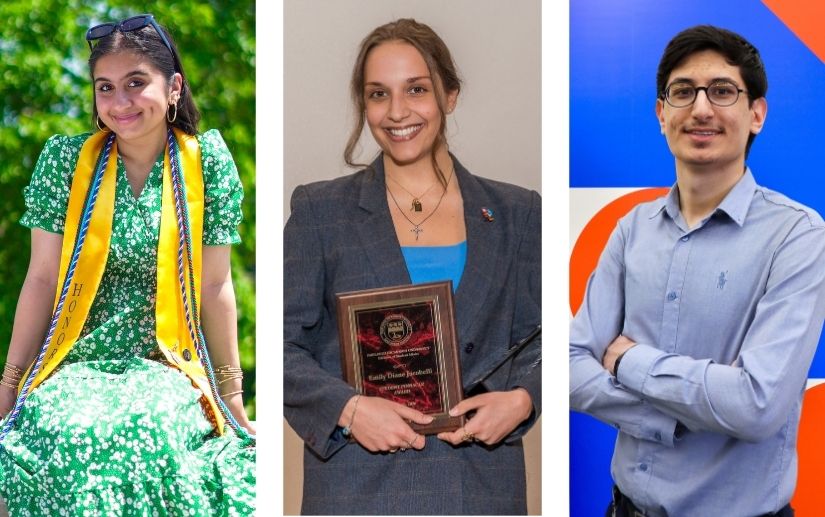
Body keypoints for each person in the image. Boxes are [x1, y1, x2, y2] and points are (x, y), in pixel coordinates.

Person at [284, 18, 541, 515]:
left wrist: (523, 399)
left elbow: (552, 340)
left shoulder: (518, 214)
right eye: (378, 94)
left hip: (480, 488)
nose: (397, 111)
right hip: (356, 487)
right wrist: (349, 409)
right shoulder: (321, 211)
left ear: (450, 96)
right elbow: (279, 345)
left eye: (417, 90)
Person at [0, 14, 255, 515]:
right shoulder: (66, 163)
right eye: (106, 88)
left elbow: (216, 285)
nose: (120, 102)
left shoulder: (206, 165)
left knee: (151, 428)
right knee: (65, 427)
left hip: (166, 366)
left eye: (136, 83)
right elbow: (41, 279)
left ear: (173, 86)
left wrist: (232, 396)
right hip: (74, 364)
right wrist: (8, 386)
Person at [570, 24, 825, 517]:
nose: (701, 109)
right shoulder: (632, 229)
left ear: (756, 114)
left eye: (723, 91)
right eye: (683, 92)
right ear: (661, 113)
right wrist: (679, 412)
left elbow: (755, 405)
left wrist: (628, 362)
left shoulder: (798, 236)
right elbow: (572, 364)